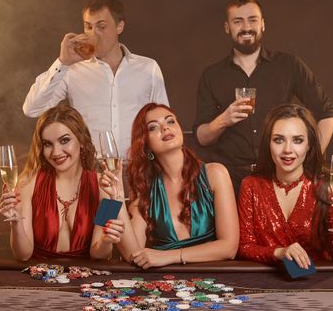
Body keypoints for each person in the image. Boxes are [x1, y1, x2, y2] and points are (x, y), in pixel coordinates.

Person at [194, 0, 333, 195]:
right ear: (227, 27)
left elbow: (326, 114)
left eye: (252, 19)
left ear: (263, 24)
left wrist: (309, 158)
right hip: (231, 181)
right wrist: (223, 120)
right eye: (238, 21)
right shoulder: (212, 75)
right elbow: (202, 137)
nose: (246, 27)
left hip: (278, 176)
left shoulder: (289, 65)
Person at [23, 0, 169, 161]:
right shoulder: (71, 69)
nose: (94, 35)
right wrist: (62, 62)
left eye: (101, 27)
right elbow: (32, 109)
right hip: (90, 171)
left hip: (140, 170)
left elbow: (163, 122)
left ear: (119, 27)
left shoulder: (148, 68)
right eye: (88, 27)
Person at [99, 103, 239, 269]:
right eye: (153, 127)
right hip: (164, 284)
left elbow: (229, 248)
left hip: (212, 280)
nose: (165, 128)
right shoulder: (143, 190)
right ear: (145, 144)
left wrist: (168, 256)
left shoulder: (216, 174)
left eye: (170, 121)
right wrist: (118, 198)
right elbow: (130, 255)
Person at [0, 104, 124, 260]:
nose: (56, 152)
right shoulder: (28, 183)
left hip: (85, 279)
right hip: (39, 278)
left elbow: (97, 254)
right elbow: (23, 255)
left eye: (64, 140)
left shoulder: (104, 186)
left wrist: (106, 241)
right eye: (48, 144)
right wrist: (15, 222)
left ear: (82, 140)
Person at [237, 104, 333, 268]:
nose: (287, 149)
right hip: (266, 284)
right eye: (278, 140)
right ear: (268, 144)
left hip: (316, 286)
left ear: (309, 145)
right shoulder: (250, 185)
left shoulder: (325, 187)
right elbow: (244, 247)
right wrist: (280, 252)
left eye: (297, 140)